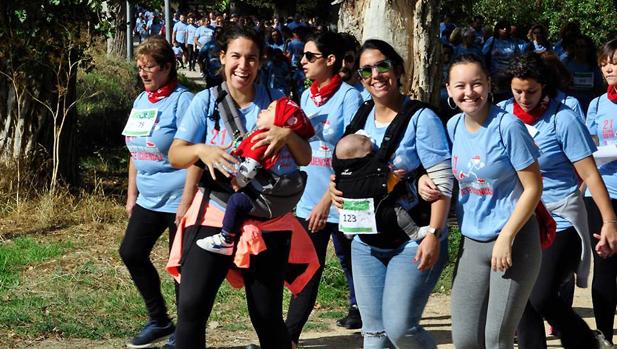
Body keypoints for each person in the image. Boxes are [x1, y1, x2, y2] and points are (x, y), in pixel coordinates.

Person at [167, 25, 315, 349]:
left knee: (266, 316)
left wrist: (286, 135)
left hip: (267, 220)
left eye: (251, 58)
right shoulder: (205, 102)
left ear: (260, 63)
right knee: (191, 308)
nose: (243, 66)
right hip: (214, 214)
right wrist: (202, 150)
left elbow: (305, 157)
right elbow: (176, 153)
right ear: (223, 57)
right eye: (235, 56)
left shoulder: (278, 105)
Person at [330, 39, 453, 348]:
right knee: (373, 334)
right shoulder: (361, 115)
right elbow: (348, 172)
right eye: (366, 70)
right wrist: (333, 191)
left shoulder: (421, 118)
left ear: (398, 70)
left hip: (411, 239)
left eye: (382, 65)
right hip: (365, 241)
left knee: (400, 329)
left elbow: (442, 182)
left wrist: (433, 235)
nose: (376, 75)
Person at [496, 52, 615, 349]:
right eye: (517, 91)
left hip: (560, 220)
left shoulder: (563, 118)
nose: (524, 98)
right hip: (518, 221)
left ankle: (588, 341)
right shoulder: (500, 114)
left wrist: (610, 221)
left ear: (545, 86)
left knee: (541, 295)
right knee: (521, 302)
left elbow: (590, 174)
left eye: (531, 91)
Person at [438, 53, 543, 349]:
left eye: (476, 84)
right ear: (448, 89)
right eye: (460, 86)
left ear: (488, 85)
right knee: (466, 340)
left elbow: (533, 188)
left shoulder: (508, 127)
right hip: (472, 242)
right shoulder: (453, 126)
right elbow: (447, 174)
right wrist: (424, 182)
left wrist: (507, 236)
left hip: (514, 241)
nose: (469, 93)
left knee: (497, 340)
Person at [284, 31, 364, 346]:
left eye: (310, 56)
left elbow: (354, 160)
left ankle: (373, 323)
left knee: (355, 261)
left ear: (330, 61)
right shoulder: (306, 97)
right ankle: (289, 337)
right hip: (308, 203)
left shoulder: (350, 97)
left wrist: (327, 201)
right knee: (306, 269)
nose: (302, 61)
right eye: (303, 56)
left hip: (342, 201)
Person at [120, 36, 194, 349]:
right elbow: (134, 150)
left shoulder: (183, 101)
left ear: (166, 67)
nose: (143, 73)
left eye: (149, 67)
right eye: (140, 67)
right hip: (148, 198)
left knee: (179, 267)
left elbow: (193, 153)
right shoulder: (141, 101)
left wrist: (188, 202)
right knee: (131, 253)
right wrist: (131, 194)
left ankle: (186, 333)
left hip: (179, 199)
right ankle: (160, 320)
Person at [196, 97, 314, 255]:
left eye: (270, 110)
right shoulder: (289, 143)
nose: (263, 110)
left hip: (266, 200)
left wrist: (238, 181)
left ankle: (226, 238)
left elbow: (250, 167)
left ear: (279, 121)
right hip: (285, 200)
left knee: (236, 202)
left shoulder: (264, 139)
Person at [585, 38, 617, 346]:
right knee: (605, 262)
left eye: (615, 62)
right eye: (605, 62)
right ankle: (604, 334)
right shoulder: (596, 104)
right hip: (601, 193)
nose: (609, 67)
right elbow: (588, 150)